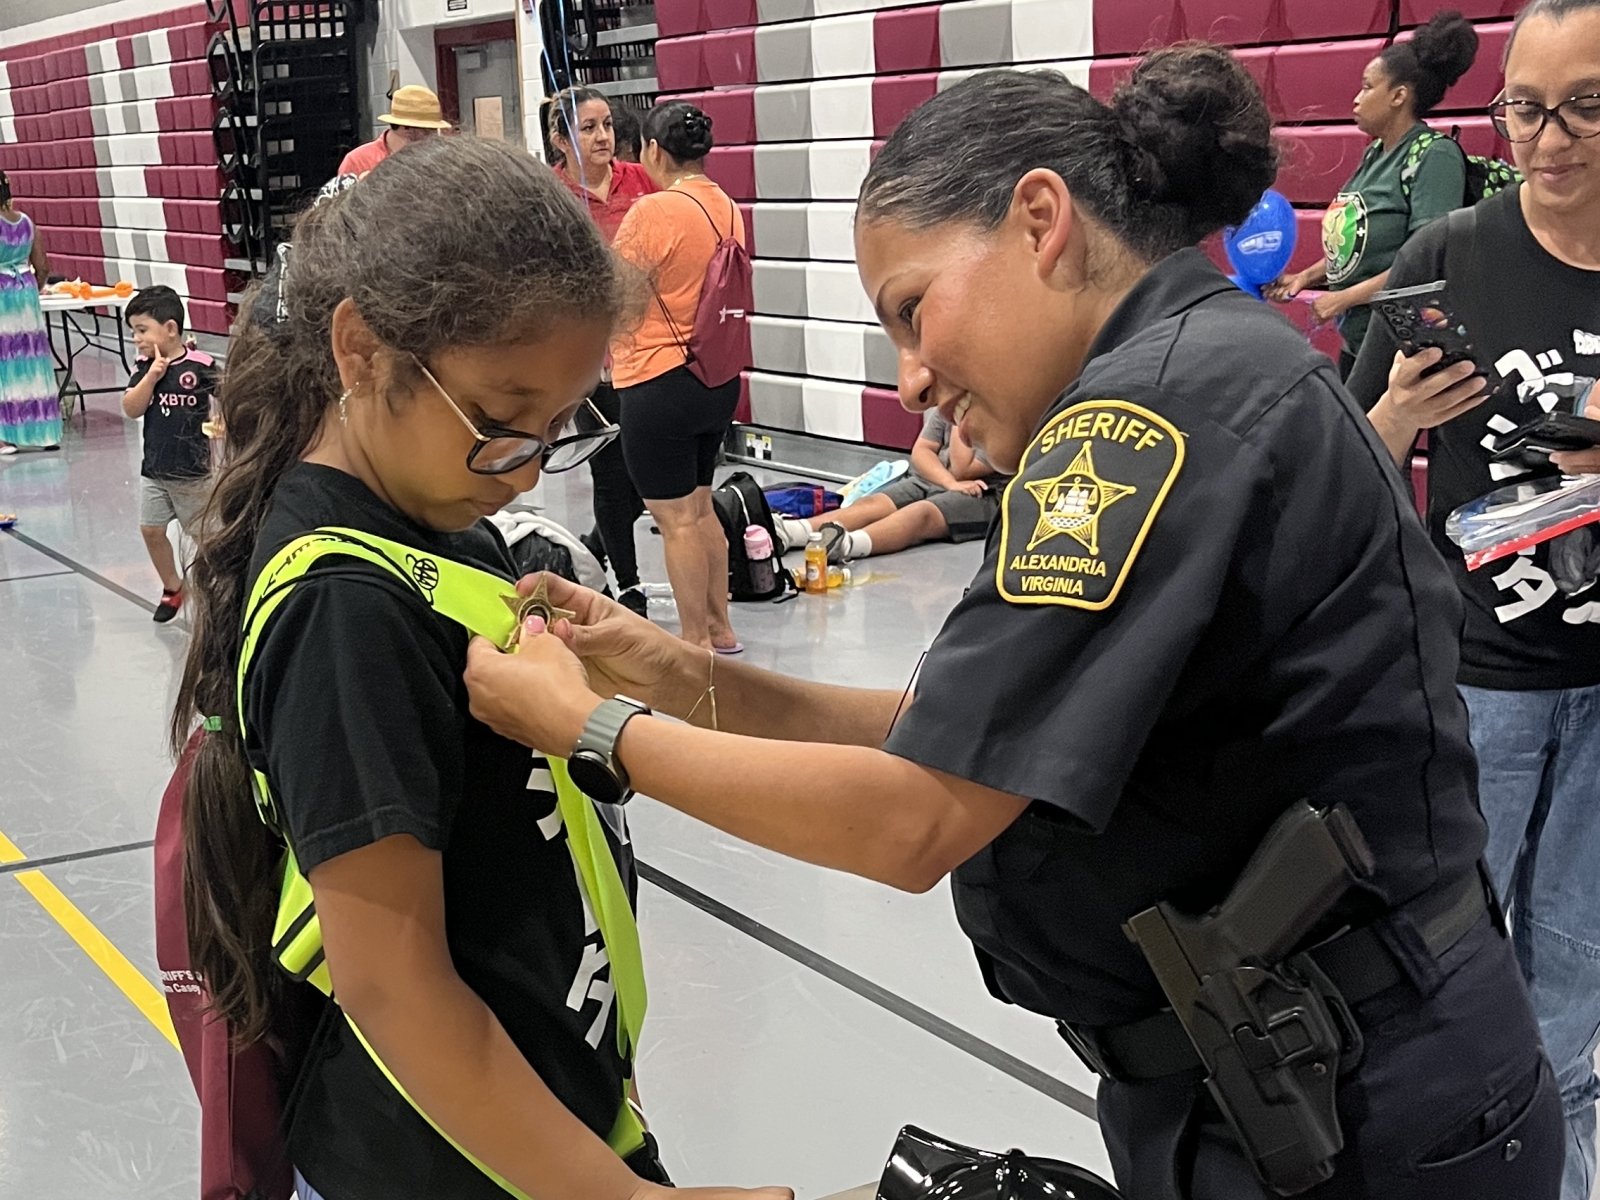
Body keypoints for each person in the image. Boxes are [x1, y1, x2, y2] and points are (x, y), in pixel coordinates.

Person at [466, 53, 1566, 1200]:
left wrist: (590, 729)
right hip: (1301, 1073)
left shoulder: (1140, 422)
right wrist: (688, 678)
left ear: (1040, 219)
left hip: (1347, 1099)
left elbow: (915, 820)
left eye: (913, 308)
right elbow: (964, 736)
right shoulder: (1197, 371)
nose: (912, 377)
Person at [170, 137, 789, 1200]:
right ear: (361, 351)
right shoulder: (343, 609)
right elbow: (392, 981)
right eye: (500, 426)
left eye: (557, 427)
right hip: (434, 1163)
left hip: (533, 1118)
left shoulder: (437, 521)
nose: (528, 471)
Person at [1346, 4, 1600, 1196]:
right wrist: (1398, 413)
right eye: (1525, 108)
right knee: (1448, 971)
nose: (1549, 140)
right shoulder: (1447, 251)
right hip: (1477, 681)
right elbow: (1343, 457)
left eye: (1586, 107)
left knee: (1580, 974)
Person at [1266, 11, 1478, 376]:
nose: (1356, 99)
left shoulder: (1434, 156)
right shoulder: (1374, 153)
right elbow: (1360, 247)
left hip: (1399, 347)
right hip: (1359, 336)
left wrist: (1342, 299)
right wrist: (1306, 277)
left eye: (1367, 86)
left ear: (1398, 96)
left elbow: (1424, 263)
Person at [611, 101, 746, 653]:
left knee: (676, 521)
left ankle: (693, 643)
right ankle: (721, 628)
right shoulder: (727, 205)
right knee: (699, 504)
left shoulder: (653, 212)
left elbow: (617, 294)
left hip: (657, 379)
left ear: (651, 151)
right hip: (715, 378)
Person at [549, 85, 658, 616]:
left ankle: (596, 544)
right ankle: (629, 585)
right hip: (590, 360)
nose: (602, 137)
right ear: (561, 139)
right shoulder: (549, 196)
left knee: (647, 475)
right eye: (588, 127)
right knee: (612, 474)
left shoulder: (640, 181)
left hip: (647, 351)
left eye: (608, 125)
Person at [771, 408, 1009, 563]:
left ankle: (847, 544)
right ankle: (793, 532)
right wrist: (946, 481)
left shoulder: (1000, 419)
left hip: (981, 493)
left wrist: (961, 417)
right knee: (873, 503)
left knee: (920, 513)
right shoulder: (948, 405)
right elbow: (922, 450)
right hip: (934, 479)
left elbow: (962, 468)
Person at [121, 285, 219, 622]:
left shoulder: (201, 364)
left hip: (191, 472)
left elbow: (231, 397)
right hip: (155, 471)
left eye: (142, 329)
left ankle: (222, 588)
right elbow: (131, 408)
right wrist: (152, 377)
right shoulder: (144, 367)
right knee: (151, 530)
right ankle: (173, 586)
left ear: (171, 329)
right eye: (133, 331)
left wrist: (223, 419)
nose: (136, 338)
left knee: (204, 537)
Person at [0, 169, 59, 454]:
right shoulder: (26, 222)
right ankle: (45, 432)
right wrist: (30, 287)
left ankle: (5, 436)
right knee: (33, 362)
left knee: (5, 365)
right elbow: (44, 266)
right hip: (25, 293)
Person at [336, 85, 450, 179]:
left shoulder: (440, 161)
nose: (434, 137)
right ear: (406, 128)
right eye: (429, 131)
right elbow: (339, 205)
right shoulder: (358, 161)